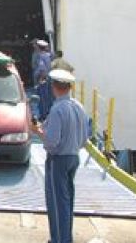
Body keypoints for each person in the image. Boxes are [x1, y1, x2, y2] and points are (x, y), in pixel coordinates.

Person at [31, 69, 91, 243]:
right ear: (69, 87)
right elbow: (84, 138)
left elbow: (51, 142)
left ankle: (59, 240)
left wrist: (38, 132)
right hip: (73, 157)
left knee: (57, 204)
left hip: (58, 160)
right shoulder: (78, 106)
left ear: (54, 87)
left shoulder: (58, 109)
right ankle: (65, 238)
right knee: (67, 201)